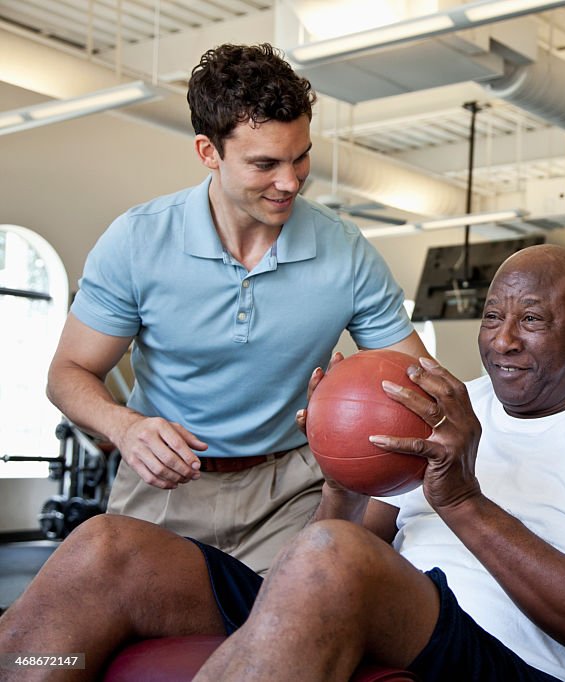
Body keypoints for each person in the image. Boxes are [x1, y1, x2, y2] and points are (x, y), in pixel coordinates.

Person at [1, 245, 565, 682]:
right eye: (493, 318)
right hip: (381, 609)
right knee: (105, 546)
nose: (504, 341)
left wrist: (463, 501)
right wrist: (339, 481)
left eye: (535, 320)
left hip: (511, 661)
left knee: (334, 557)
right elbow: (347, 547)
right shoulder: (449, 402)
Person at [44, 43, 428, 575]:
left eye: (300, 157)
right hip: (164, 485)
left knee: (277, 639)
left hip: (290, 489)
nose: (290, 181)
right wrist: (126, 427)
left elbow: (416, 381)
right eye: (265, 164)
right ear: (208, 151)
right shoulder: (138, 240)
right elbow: (68, 374)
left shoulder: (345, 248)